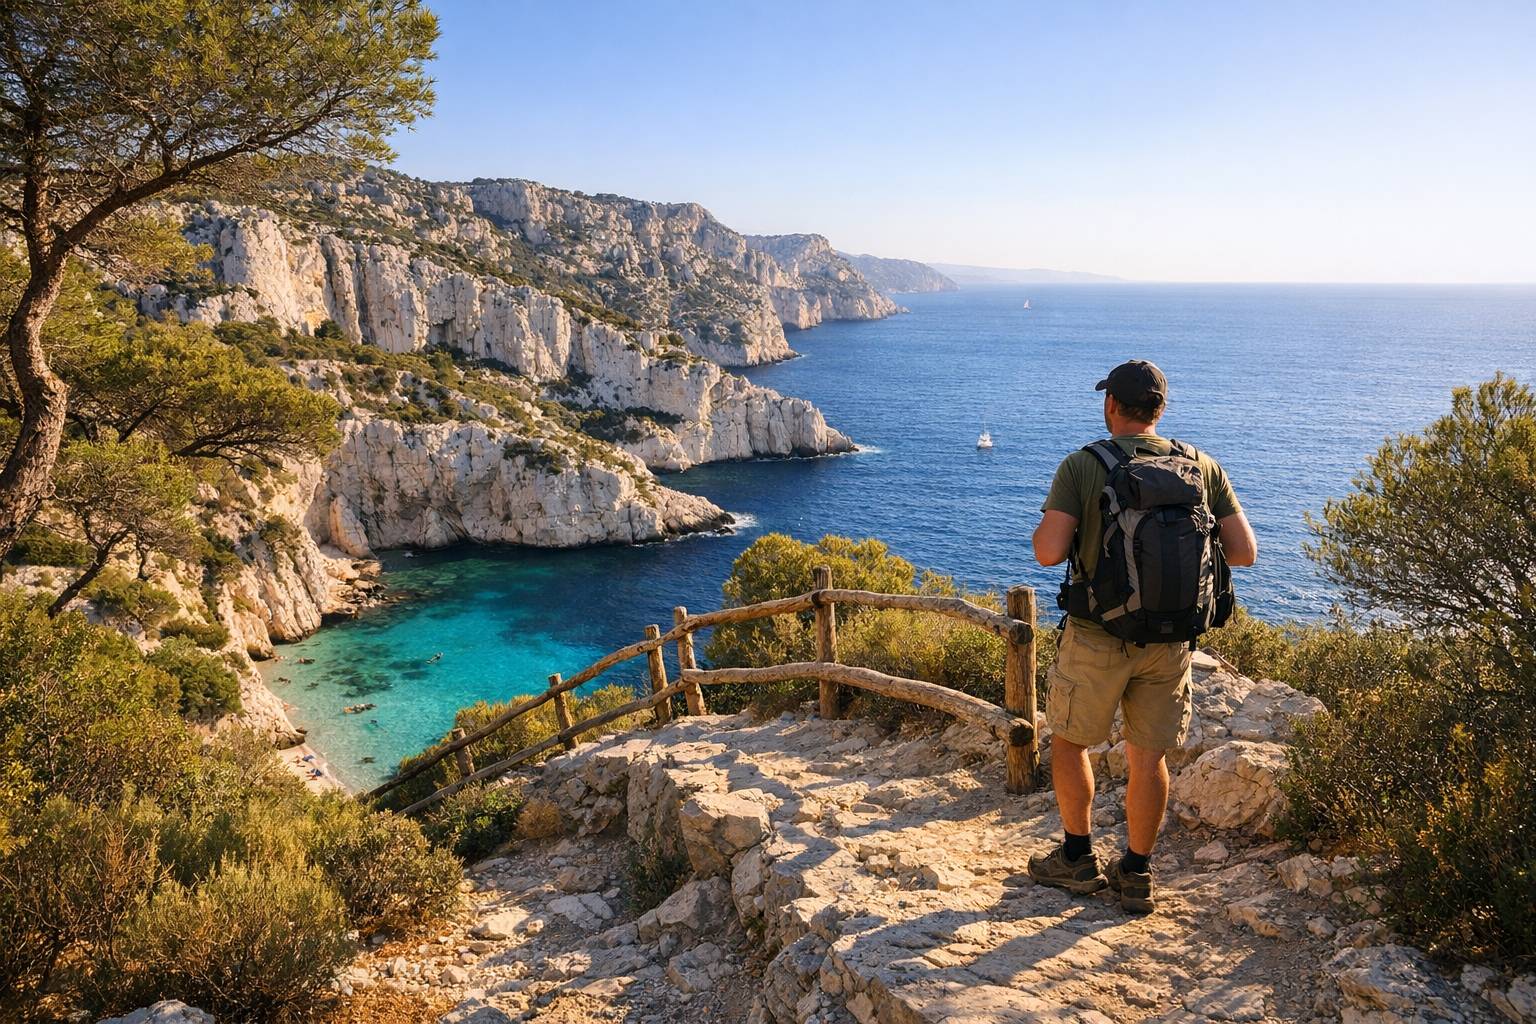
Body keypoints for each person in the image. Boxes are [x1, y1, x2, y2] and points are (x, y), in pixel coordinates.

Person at [1028, 359, 1257, 914]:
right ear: (1161, 409)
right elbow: (1245, 553)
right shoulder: (1201, 466)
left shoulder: (1083, 466)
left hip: (1097, 635)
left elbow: (1048, 552)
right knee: (1147, 755)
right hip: (1171, 639)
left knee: (1069, 741)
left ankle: (1077, 859)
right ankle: (1136, 873)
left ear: (1110, 406)